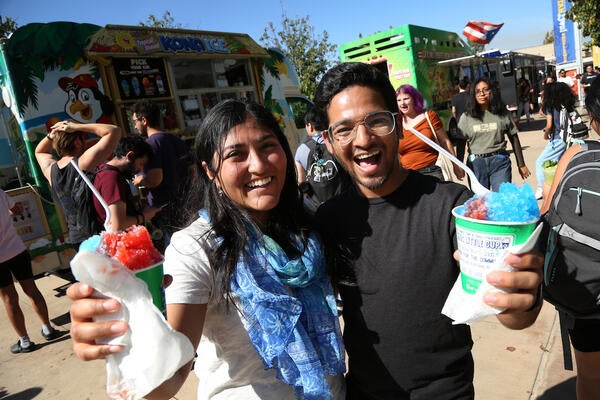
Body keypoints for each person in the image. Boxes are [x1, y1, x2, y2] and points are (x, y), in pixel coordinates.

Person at [67, 100, 346, 399]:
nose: (259, 164)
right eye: (236, 154)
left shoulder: (307, 228)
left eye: (267, 146)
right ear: (210, 171)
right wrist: (123, 338)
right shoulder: (195, 248)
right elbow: (169, 378)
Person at [312, 62, 543, 399]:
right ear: (329, 142)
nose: (363, 139)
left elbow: (512, 311)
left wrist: (519, 301)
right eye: (344, 129)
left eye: (376, 120)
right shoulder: (328, 219)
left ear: (399, 125)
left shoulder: (452, 207)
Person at [540, 77, 600, 400]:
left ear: (593, 119)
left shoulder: (576, 153)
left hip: (586, 294)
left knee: (590, 377)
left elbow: (549, 213)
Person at [34, 121, 121, 246]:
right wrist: (76, 126)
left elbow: (40, 152)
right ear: (78, 142)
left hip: (76, 239)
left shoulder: (50, 170)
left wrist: (51, 136)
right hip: (98, 236)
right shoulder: (84, 163)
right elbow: (114, 131)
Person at [1, 188, 61, 354]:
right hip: (17, 250)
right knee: (31, 289)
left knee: (9, 298)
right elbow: (17, 210)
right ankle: (48, 328)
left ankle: (25, 341)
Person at [131, 101, 193, 251]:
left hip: (164, 208)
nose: (134, 126)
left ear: (144, 120)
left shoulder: (151, 143)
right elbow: (193, 171)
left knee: (173, 251)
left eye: (135, 121)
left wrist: (140, 180)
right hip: (186, 204)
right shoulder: (176, 140)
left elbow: (155, 178)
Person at [458, 77, 531, 191]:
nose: (482, 94)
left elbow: (514, 138)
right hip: (476, 165)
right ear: (473, 95)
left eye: (485, 90)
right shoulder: (466, 117)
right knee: (481, 204)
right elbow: (461, 142)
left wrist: (521, 164)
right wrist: (459, 165)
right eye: (478, 91)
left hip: (500, 162)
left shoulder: (502, 113)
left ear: (491, 91)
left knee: (501, 200)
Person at [93, 135, 162, 231]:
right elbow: (118, 225)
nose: (140, 169)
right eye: (141, 164)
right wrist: (145, 216)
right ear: (130, 156)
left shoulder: (105, 172)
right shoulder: (111, 177)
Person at [397, 84, 464, 181]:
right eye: (399, 100)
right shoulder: (397, 122)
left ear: (415, 99)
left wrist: (456, 165)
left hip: (432, 172)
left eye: (406, 99)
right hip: (408, 176)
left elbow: (445, 142)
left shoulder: (429, 116)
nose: (402, 103)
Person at [294, 106, 350, 212]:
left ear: (309, 126)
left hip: (320, 208)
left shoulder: (301, 150)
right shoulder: (337, 141)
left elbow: (301, 183)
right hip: (346, 202)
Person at [533, 82, 573, 200]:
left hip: (557, 139)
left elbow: (549, 125)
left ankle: (542, 188)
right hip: (567, 137)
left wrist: (545, 135)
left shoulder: (550, 105)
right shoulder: (562, 104)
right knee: (558, 163)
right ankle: (558, 186)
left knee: (540, 162)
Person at [451, 77, 470, 162]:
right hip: (471, 124)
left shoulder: (455, 97)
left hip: (460, 125)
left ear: (459, 86)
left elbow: (453, 110)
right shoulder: (470, 96)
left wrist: (456, 118)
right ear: (467, 86)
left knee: (460, 149)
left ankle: (460, 166)